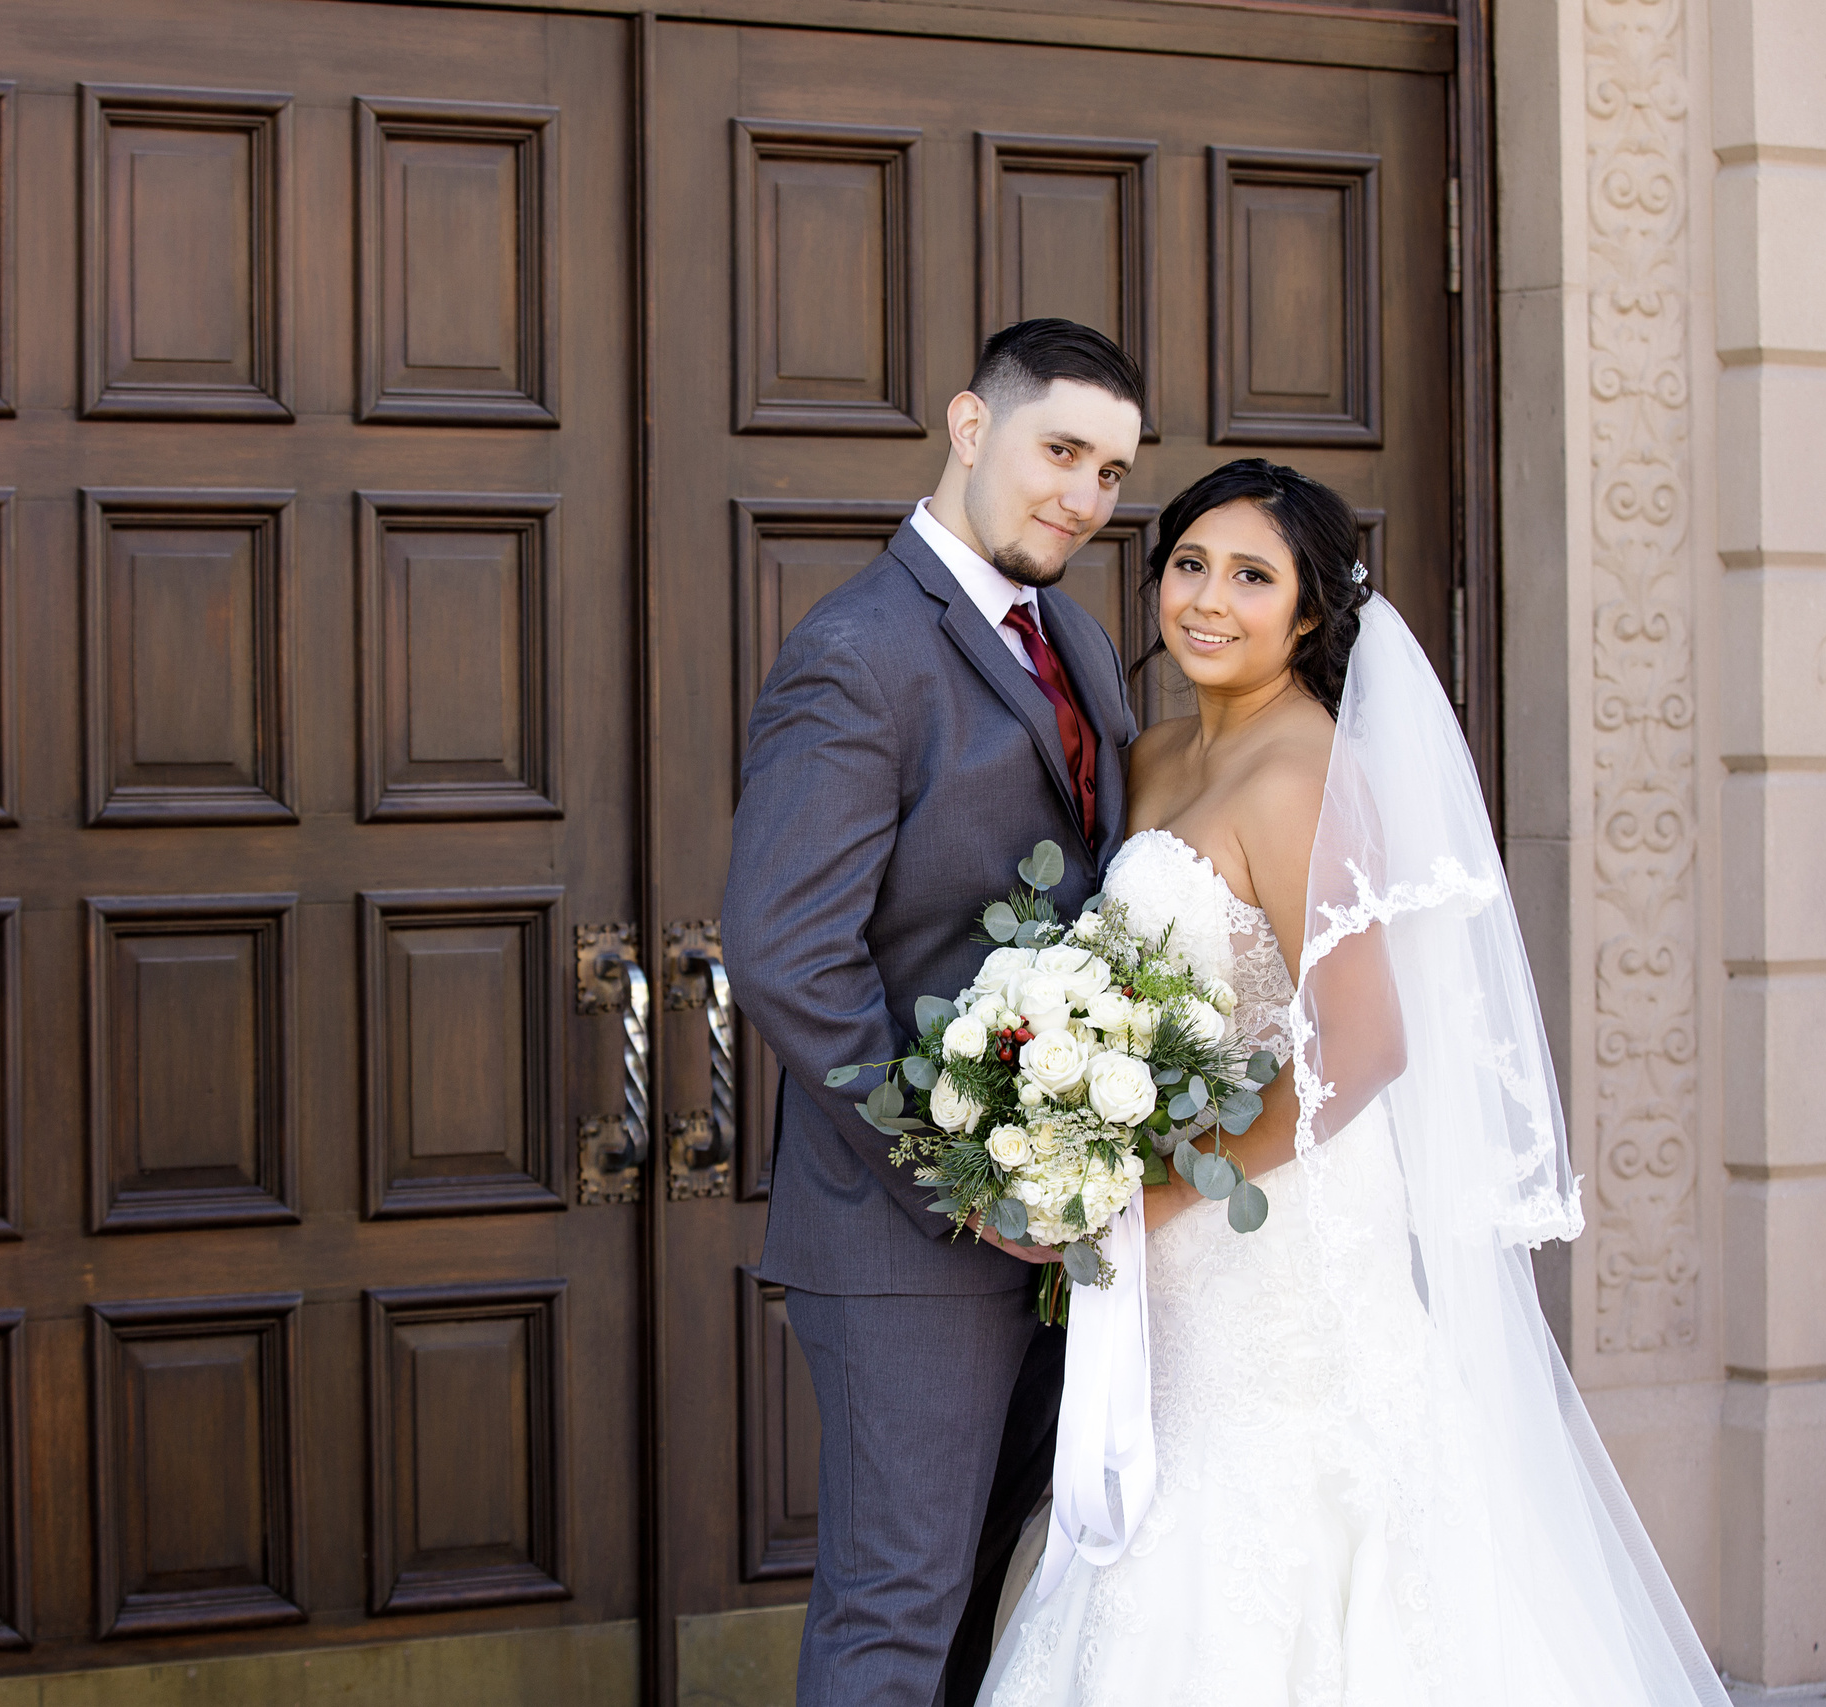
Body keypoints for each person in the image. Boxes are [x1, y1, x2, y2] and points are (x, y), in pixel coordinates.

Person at [977, 459, 1731, 1706]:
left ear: (1312, 616)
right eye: (1189, 566)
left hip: (1284, 1233)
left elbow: (1365, 1048)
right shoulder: (1150, 754)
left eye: (1252, 578)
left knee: (1280, 1520)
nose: (1209, 601)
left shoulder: (1301, 774)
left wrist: (1157, 1190)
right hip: (1180, 1234)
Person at [721, 319, 1146, 1707]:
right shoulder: (861, 647)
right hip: (909, 1233)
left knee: (969, 1600)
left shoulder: (1069, 630)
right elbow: (787, 947)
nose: (1084, 498)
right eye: (1060, 451)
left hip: (1047, 1235)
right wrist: (962, 1180)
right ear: (972, 427)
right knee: (893, 1614)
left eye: (1113, 474)